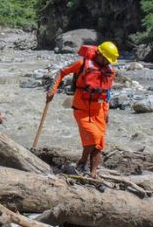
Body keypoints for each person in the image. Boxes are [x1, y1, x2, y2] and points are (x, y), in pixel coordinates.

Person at [47, 42, 119, 176]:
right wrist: (52, 89)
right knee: (94, 136)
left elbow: (107, 92)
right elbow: (61, 72)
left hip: (100, 110)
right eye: (107, 59)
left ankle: (93, 173)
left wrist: (107, 110)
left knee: (99, 144)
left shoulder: (109, 71)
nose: (108, 63)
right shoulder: (82, 64)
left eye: (109, 61)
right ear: (99, 55)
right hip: (82, 109)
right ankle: (82, 162)